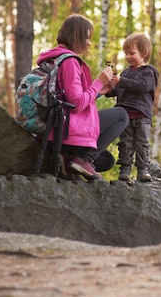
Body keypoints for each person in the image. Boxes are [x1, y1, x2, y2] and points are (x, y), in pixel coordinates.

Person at [37, 13, 128, 181]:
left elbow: (69, 100)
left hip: (50, 131)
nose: (89, 42)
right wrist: (98, 82)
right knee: (121, 115)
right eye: (87, 37)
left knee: (106, 160)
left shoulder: (53, 58)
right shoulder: (69, 61)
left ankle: (65, 156)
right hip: (62, 130)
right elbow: (77, 103)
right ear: (76, 35)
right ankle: (82, 159)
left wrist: (99, 92)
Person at [106, 33, 159, 182]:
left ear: (144, 53)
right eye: (126, 53)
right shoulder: (126, 72)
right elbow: (118, 90)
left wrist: (122, 81)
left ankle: (143, 169)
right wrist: (109, 87)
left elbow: (142, 86)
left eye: (132, 53)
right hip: (125, 115)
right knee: (125, 142)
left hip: (142, 115)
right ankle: (125, 168)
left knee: (141, 143)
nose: (128, 56)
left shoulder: (149, 72)